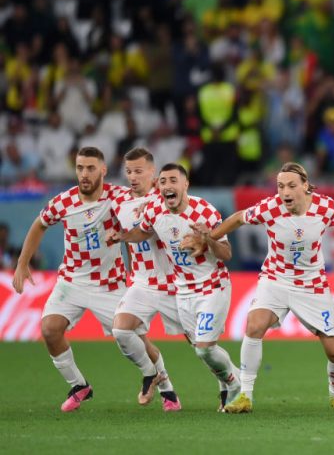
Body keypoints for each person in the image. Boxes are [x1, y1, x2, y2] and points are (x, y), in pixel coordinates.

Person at [194, 162, 334, 414]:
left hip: (312, 285)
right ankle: (245, 395)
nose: (284, 192)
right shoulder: (269, 208)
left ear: (305, 186)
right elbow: (237, 218)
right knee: (254, 326)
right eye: (280, 186)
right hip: (275, 279)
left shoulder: (324, 206)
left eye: (290, 186)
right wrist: (209, 237)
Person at [111, 163, 241, 411]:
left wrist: (208, 238)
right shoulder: (155, 210)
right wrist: (123, 237)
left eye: (173, 180)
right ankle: (229, 383)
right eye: (162, 182)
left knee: (204, 348)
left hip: (212, 286)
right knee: (201, 348)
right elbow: (143, 232)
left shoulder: (204, 211)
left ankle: (234, 384)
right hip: (182, 290)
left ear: (185, 185)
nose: (167, 186)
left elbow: (226, 253)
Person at [12, 147, 128, 411]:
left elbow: (146, 203)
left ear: (103, 170)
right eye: (79, 168)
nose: (84, 174)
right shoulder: (62, 202)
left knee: (133, 338)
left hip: (109, 283)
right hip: (72, 281)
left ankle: (163, 382)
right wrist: (22, 262)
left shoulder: (118, 196)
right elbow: (39, 224)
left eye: (90, 168)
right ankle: (79, 385)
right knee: (50, 329)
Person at [110, 147, 182, 411]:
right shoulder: (120, 203)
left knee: (203, 345)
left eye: (138, 171)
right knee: (122, 329)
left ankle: (229, 386)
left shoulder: (166, 197)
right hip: (141, 282)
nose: (132, 177)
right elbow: (127, 241)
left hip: (174, 283)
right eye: (128, 171)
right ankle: (156, 378)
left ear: (153, 172)